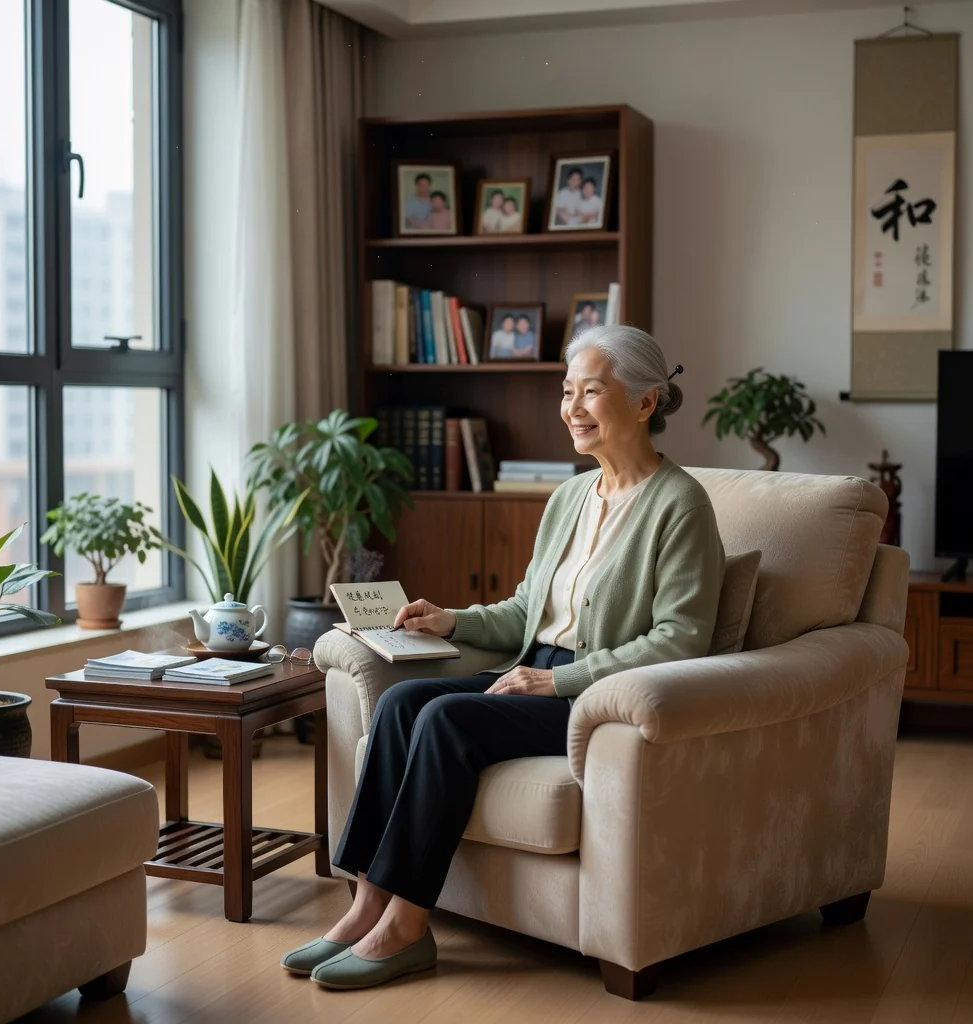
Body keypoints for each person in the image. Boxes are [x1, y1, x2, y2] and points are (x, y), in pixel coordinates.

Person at [281, 324, 725, 990]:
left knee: (447, 722)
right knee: (403, 703)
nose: (572, 407)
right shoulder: (571, 497)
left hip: (590, 694)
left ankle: (407, 926)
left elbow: (681, 637)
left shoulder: (680, 505)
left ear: (645, 402)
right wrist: (451, 618)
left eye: (591, 391)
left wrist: (557, 679)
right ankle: (368, 902)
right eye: (567, 391)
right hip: (532, 667)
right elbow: (527, 610)